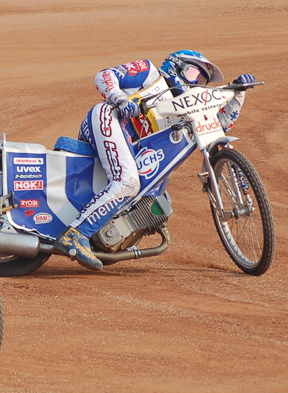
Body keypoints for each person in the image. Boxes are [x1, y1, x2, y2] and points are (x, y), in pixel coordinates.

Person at [54, 50, 257, 271]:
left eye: (201, 81)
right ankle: (76, 234)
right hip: (107, 117)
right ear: (176, 66)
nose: (196, 83)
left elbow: (219, 126)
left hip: (128, 145)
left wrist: (238, 94)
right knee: (128, 182)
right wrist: (120, 99)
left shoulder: (188, 111)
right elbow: (104, 76)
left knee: (138, 187)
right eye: (193, 74)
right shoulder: (150, 74)